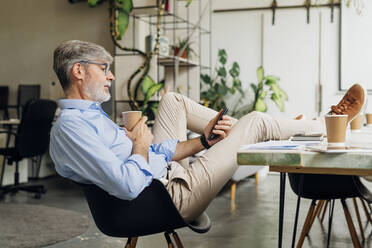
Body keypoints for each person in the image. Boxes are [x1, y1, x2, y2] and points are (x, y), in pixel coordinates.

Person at [50, 40, 366, 222]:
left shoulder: (92, 118)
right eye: (104, 69)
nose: (111, 76)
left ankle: (296, 126)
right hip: (168, 197)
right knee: (255, 122)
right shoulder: (71, 128)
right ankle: (329, 123)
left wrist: (203, 141)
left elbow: (159, 152)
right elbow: (127, 186)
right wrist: (139, 147)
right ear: (78, 71)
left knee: (173, 100)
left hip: (165, 176)